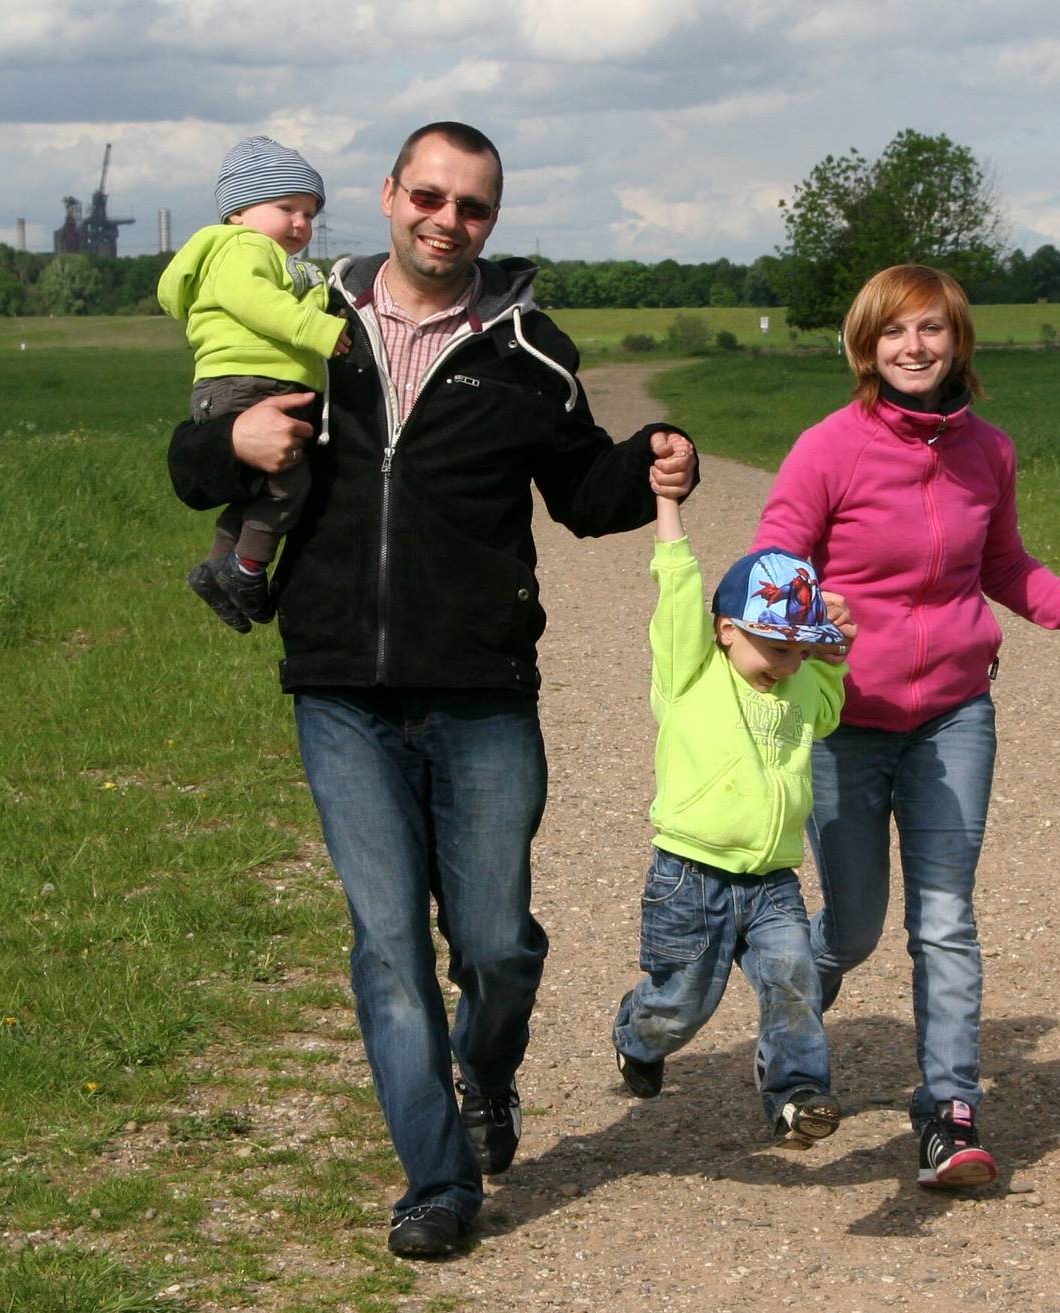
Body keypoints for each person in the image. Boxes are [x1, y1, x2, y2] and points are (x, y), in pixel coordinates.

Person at [166, 121, 696, 1260]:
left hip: (482, 690)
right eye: (428, 196)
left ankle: (488, 1070)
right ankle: (438, 1177)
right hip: (341, 689)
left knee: (498, 943)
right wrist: (237, 444)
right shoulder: (317, 326)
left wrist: (655, 452)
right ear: (390, 195)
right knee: (388, 943)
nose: (446, 220)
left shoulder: (527, 348)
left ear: (491, 221)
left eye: (471, 206)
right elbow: (192, 458)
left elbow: (584, 489)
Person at [753, 264, 1060, 1190]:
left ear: (959, 342)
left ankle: (949, 1113)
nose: (914, 348)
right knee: (853, 927)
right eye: (894, 333)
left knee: (947, 920)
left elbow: (1007, 565)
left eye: (931, 331)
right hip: (845, 718)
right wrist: (802, 625)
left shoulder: (987, 453)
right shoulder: (827, 449)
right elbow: (770, 567)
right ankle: (787, 1039)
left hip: (954, 715)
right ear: (865, 346)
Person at [612, 445, 854, 1145]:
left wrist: (835, 656)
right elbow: (680, 587)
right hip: (690, 874)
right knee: (682, 1003)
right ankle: (637, 1031)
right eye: (775, 647)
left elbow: (828, 709)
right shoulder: (692, 672)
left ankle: (797, 1092)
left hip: (773, 878)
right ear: (727, 630)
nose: (787, 663)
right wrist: (668, 508)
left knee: (795, 978)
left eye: (800, 650)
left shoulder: (803, 678)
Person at [158, 135, 350, 632]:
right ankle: (247, 570)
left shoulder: (274, 257)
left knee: (258, 490)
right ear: (238, 211)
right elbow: (256, 303)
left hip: (253, 383)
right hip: (246, 384)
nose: (301, 224)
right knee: (290, 484)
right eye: (286, 207)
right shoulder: (241, 248)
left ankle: (215, 567)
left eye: (310, 214)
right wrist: (320, 330)